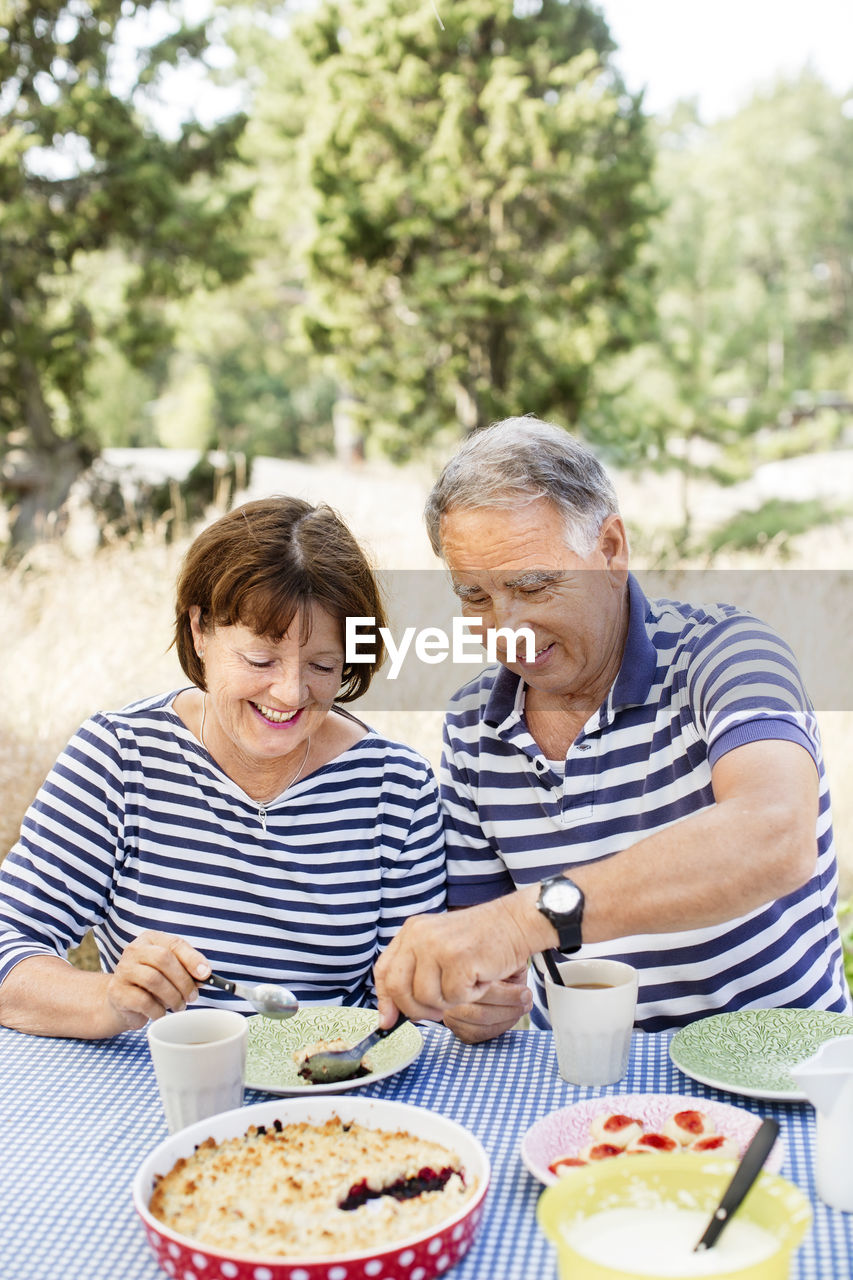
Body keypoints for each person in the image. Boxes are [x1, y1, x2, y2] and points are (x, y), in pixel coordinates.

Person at [374, 416, 851, 1042]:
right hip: (584, 1079)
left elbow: (777, 834)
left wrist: (525, 921)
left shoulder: (730, 654)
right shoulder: (472, 726)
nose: (504, 627)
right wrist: (475, 1001)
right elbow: (486, 945)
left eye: (533, 585)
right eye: (475, 597)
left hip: (781, 1072)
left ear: (610, 550)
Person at [0, 497, 446, 1038]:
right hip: (159, 1091)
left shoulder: (397, 790)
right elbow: (11, 945)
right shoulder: (119, 759)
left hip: (329, 1096)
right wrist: (108, 1001)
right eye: (260, 660)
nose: (290, 693)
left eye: (323, 666)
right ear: (200, 631)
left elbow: (409, 1009)